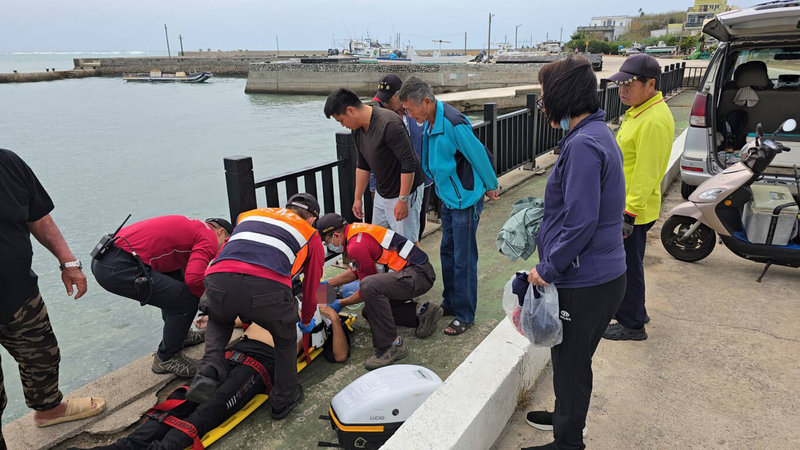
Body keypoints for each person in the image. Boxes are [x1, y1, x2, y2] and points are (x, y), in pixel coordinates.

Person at [522, 56, 628, 450]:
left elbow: (581, 222)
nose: (543, 105)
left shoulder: (583, 144)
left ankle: (568, 442)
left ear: (561, 96)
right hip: (601, 274)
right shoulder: (596, 132)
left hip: (586, 280)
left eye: (544, 97)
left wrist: (548, 268)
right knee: (570, 359)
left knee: (571, 364)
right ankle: (564, 414)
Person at [84, 305, 350, 450]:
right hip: (233, 354)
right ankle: (122, 447)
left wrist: (334, 319)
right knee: (184, 400)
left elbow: (340, 355)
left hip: (261, 364)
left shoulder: (322, 319)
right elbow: (243, 321)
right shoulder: (280, 300)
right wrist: (214, 319)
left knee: (208, 409)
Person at [186, 193, 323, 421]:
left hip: (219, 277)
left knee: (219, 319)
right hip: (268, 288)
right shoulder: (310, 234)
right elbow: (312, 286)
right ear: (312, 220)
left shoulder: (249, 215)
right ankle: (284, 398)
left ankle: (210, 368)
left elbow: (228, 252)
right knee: (285, 338)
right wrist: (307, 319)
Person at [0, 148, 105, 437]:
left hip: (19, 293)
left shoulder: (7, 163)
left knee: (43, 356)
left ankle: (49, 410)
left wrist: (68, 262)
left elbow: (38, 217)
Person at [398, 77, 499, 336]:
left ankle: (465, 314)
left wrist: (490, 185)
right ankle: (451, 301)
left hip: (465, 198)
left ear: (426, 102)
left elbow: (478, 154)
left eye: (410, 109)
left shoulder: (453, 122)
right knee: (448, 252)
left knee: (464, 258)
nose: (409, 115)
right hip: (448, 197)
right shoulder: (429, 121)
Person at [91, 215, 233, 377]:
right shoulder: (209, 237)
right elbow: (194, 279)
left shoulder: (194, 228)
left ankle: (180, 335)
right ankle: (166, 358)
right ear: (220, 232)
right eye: (226, 243)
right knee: (186, 300)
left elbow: (185, 272)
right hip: (119, 266)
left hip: (107, 256)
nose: (222, 252)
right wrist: (212, 305)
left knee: (177, 282)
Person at [603, 54, 675, 341]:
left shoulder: (653, 121)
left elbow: (647, 173)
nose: (622, 91)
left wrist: (629, 214)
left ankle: (632, 324)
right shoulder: (640, 111)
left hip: (633, 210)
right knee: (629, 264)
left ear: (650, 84)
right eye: (620, 85)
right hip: (627, 206)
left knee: (629, 268)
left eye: (629, 85)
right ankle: (635, 311)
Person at [316, 213, 440, 370]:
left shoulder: (355, 246)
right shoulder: (356, 232)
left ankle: (391, 346)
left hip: (418, 275)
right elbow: (358, 269)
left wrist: (341, 303)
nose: (329, 246)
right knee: (370, 312)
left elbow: (367, 288)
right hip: (416, 272)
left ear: (336, 235)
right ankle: (422, 311)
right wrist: (327, 284)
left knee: (369, 287)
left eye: (327, 242)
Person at [323, 87, 426, 243]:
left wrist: (403, 200)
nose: (343, 125)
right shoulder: (357, 129)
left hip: (405, 191)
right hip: (382, 192)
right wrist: (357, 198)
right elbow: (362, 164)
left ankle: (416, 261)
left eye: (341, 120)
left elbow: (408, 162)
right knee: (377, 239)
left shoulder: (389, 123)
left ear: (350, 110)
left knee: (407, 244)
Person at [372, 74, 434, 238]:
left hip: (421, 179)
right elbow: (373, 153)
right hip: (391, 185)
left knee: (416, 226)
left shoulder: (419, 113)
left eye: (389, 99)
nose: (385, 103)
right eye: (382, 100)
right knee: (390, 232)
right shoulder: (381, 118)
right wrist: (373, 185)